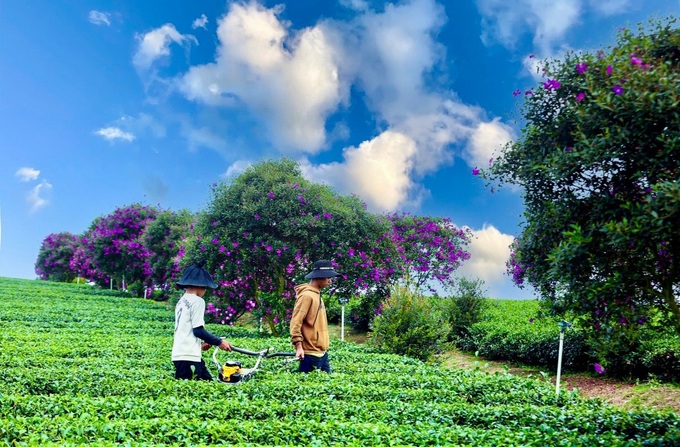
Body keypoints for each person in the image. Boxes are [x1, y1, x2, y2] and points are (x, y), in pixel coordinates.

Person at [172, 263, 232, 380]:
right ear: (200, 286)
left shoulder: (181, 301)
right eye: (205, 287)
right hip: (188, 357)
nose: (205, 291)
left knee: (207, 382)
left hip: (180, 355)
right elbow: (198, 330)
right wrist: (219, 342)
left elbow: (186, 330)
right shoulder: (197, 301)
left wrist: (199, 345)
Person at [289, 259, 340, 373]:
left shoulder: (317, 295)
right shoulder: (307, 296)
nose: (330, 281)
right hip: (310, 354)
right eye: (328, 277)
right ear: (319, 277)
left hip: (322, 353)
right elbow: (295, 323)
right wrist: (299, 346)